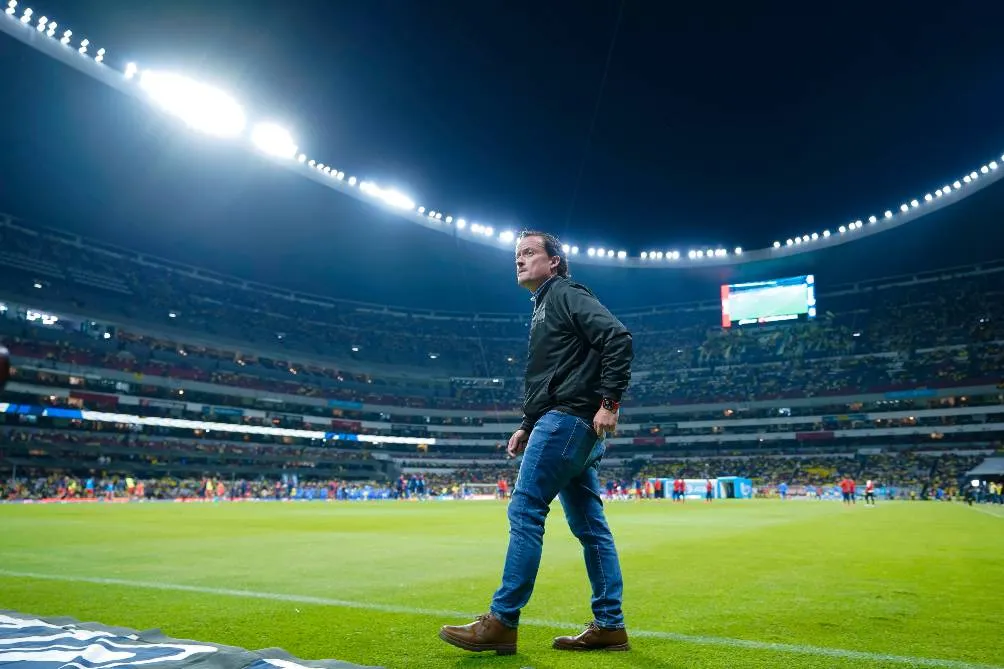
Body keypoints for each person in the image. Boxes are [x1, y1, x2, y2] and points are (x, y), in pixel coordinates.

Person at [439, 230, 633, 655]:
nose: (519, 260)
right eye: (517, 255)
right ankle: (610, 625)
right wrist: (527, 424)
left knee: (525, 510)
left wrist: (610, 403)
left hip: (567, 421)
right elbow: (552, 373)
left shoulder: (564, 293)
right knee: (591, 529)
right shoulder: (545, 303)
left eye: (529, 253)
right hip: (570, 424)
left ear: (554, 262)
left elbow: (617, 337)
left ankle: (502, 620)